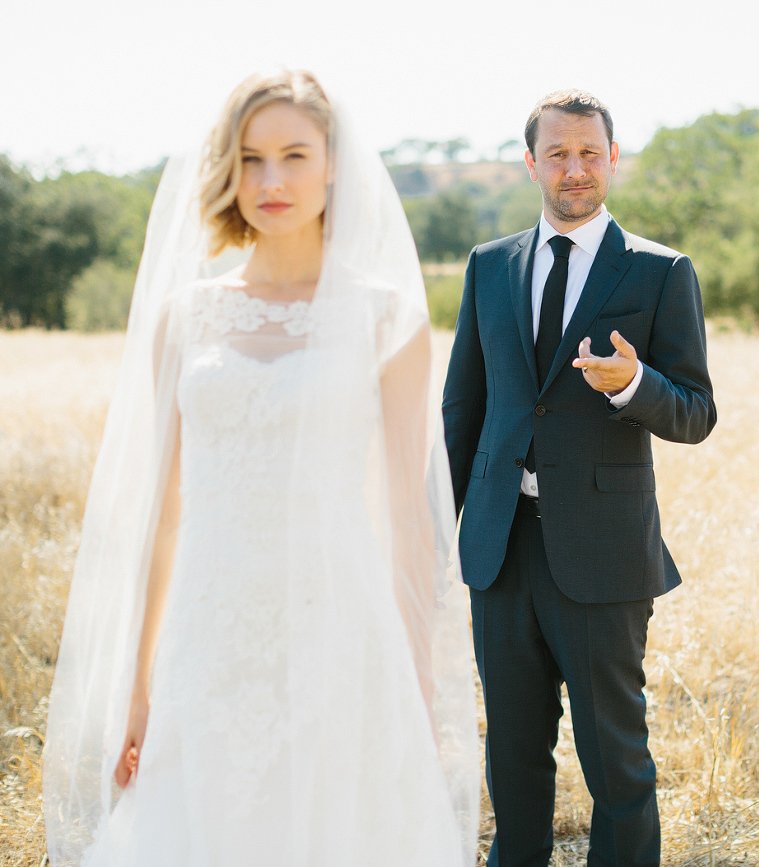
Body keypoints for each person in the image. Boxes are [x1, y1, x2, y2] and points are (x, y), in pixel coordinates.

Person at [43, 70, 478, 867]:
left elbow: (406, 516)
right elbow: (162, 512)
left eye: (293, 155)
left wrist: (417, 678)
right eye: (249, 159)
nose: (270, 181)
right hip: (210, 632)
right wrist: (136, 687)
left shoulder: (386, 316)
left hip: (339, 626)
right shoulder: (186, 315)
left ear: (334, 163)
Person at [442, 90, 717, 867]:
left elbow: (696, 411)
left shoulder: (661, 272)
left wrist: (634, 385)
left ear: (612, 159)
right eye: (557, 153)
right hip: (499, 550)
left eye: (589, 152)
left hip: (603, 555)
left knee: (617, 763)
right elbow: (463, 406)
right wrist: (436, 525)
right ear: (531, 162)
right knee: (513, 759)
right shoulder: (489, 266)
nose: (574, 168)